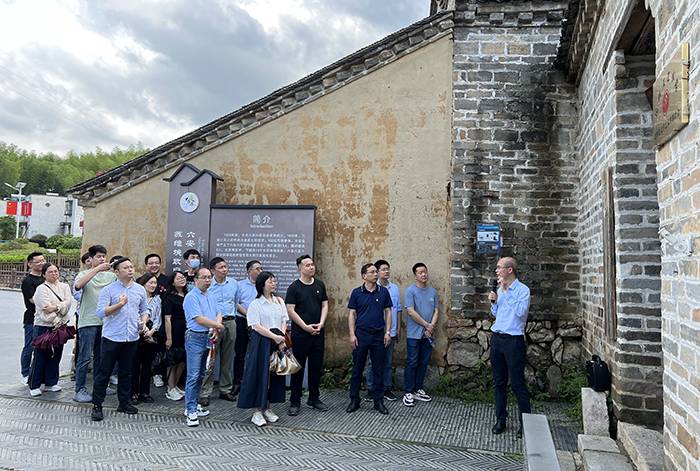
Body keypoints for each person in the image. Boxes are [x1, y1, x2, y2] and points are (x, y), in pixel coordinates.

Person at [91, 257, 150, 422]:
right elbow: (100, 312)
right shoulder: (108, 290)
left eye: (131, 267)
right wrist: (119, 305)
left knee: (126, 372)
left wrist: (143, 321)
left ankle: (124, 403)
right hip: (112, 337)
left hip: (131, 337)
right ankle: (97, 405)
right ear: (116, 272)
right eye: (126, 267)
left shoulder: (139, 289)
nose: (130, 270)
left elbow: (145, 310)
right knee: (104, 372)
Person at [237, 271, 288, 427]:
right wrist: (274, 337)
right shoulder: (256, 304)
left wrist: (281, 338)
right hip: (261, 342)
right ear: (262, 285)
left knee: (274, 375)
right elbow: (256, 326)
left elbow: (284, 320)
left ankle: (268, 408)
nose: (274, 284)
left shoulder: (279, 301)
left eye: (274, 281)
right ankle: (257, 411)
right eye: (270, 281)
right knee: (259, 375)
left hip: (277, 341)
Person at [487, 256, 531, 438]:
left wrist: (506, 292)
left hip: (513, 341)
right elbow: (497, 314)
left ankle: (526, 424)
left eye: (499, 267)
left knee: (518, 383)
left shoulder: (522, 290)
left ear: (509, 270)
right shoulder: (500, 289)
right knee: (499, 382)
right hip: (497, 338)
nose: (497, 271)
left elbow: (520, 312)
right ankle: (500, 419)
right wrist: (494, 301)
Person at [346, 263, 392, 415]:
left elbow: (388, 311)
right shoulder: (356, 293)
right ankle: (354, 400)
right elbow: (352, 314)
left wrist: (387, 332)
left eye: (376, 272)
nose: (375, 274)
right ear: (364, 276)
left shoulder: (383, 292)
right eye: (372, 272)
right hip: (361, 335)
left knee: (378, 369)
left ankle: (378, 401)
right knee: (357, 369)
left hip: (378, 335)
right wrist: (352, 334)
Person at [73, 245, 117, 403]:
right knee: (85, 357)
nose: (102, 259)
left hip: (106, 322)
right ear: (90, 259)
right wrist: (97, 269)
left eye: (104, 256)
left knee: (101, 357)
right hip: (87, 321)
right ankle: (79, 389)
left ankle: (100, 386)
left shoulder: (111, 276)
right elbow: (78, 286)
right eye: (99, 256)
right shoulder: (83, 274)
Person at [286, 255, 329, 416]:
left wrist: (321, 323)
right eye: (308, 265)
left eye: (312, 264)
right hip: (300, 334)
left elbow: (325, 305)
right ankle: (295, 401)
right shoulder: (294, 287)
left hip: (318, 333)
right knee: (298, 368)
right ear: (300, 268)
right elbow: (290, 310)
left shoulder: (319, 284)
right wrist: (305, 327)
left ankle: (314, 398)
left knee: (316, 367)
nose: (311, 267)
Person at [182, 267, 224, 427]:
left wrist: (216, 327)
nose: (208, 280)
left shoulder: (211, 294)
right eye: (204, 277)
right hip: (195, 337)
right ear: (195, 280)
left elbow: (218, 313)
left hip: (209, 335)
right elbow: (198, 319)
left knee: (202, 374)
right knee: (193, 375)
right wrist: (218, 326)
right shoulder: (191, 297)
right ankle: (190, 410)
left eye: (209, 277)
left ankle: (194, 404)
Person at [28, 263, 72, 396]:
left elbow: (68, 304)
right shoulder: (41, 289)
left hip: (60, 327)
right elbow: (45, 309)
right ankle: (34, 384)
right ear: (44, 274)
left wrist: (56, 307)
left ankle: (51, 382)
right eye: (50, 272)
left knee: (56, 355)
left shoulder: (64, 287)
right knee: (40, 355)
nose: (54, 274)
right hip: (44, 326)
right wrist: (57, 317)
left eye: (55, 271)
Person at [364, 259, 402, 402]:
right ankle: (370, 389)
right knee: (372, 361)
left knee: (387, 361)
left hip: (390, 331)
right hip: (376, 331)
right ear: (377, 272)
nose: (386, 272)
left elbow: (397, 309)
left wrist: (398, 328)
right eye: (383, 269)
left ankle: (386, 388)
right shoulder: (373, 289)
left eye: (388, 269)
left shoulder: (395, 288)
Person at [402, 262, 439, 408]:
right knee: (412, 362)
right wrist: (426, 325)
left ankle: (418, 389)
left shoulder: (433, 292)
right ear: (415, 276)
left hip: (428, 334)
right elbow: (410, 312)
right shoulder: (410, 291)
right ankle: (408, 392)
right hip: (414, 334)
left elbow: (436, 310)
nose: (424, 274)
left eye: (425, 272)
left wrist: (431, 326)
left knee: (423, 362)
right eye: (420, 272)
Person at [204, 257, 239, 403]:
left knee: (228, 358)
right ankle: (205, 392)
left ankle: (225, 389)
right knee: (210, 358)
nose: (224, 269)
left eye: (225, 266)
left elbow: (235, 302)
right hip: (212, 324)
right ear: (213, 270)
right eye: (221, 267)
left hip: (230, 322)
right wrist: (212, 325)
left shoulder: (234, 283)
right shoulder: (208, 285)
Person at [233, 260, 263, 396]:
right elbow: (236, 303)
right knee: (240, 353)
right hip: (242, 321)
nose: (260, 271)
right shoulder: (239, 285)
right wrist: (249, 315)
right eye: (257, 269)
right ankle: (237, 382)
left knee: (256, 353)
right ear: (249, 271)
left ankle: (253, 384)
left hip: (259, 324)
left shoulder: (263, 285)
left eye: (261, 268)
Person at [130, 273, 161, 404]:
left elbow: (158, 318)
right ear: (143, 283)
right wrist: (143, 330)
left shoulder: (157, 299)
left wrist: (152, 331)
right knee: (134, 365)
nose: (153, 285)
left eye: (155, 283)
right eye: (150, 282)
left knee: (147, 365)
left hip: (151, 335)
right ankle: (133, 393)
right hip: (136, 333)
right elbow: (134, 314)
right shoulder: (136, 297)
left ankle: (145, 392)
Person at [20, 251, 46, 384]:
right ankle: (25, 373)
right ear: (30, 264)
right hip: (32, 318)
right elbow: (32, 300)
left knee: (43, 347)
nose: (42, 263)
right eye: (38, 261)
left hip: (46, 318)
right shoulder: (27, 281)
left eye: (43, 260)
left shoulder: (45, 278)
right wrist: (49, 305)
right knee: (29, 346)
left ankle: (39, 374)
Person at [162, 271, 188, 401]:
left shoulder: (188, 295)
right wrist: (169, 338)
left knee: (182, 360)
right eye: (179, 278)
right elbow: (167, 319)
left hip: (187, 331)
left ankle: (175, 386)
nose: (182, 279)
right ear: (172, 282)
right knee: (172, 360)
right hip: (174, 330)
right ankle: (170, 388)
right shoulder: (169, 297)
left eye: (183, 277)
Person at [144, 253, 168, 388]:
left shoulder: (166, 280)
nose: (154, 265)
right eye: (151, 263)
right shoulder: (141, 280)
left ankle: (157, 374)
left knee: (159, 350)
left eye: (156, 262)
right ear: (146, 265)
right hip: (143, 325)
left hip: (161, 321)